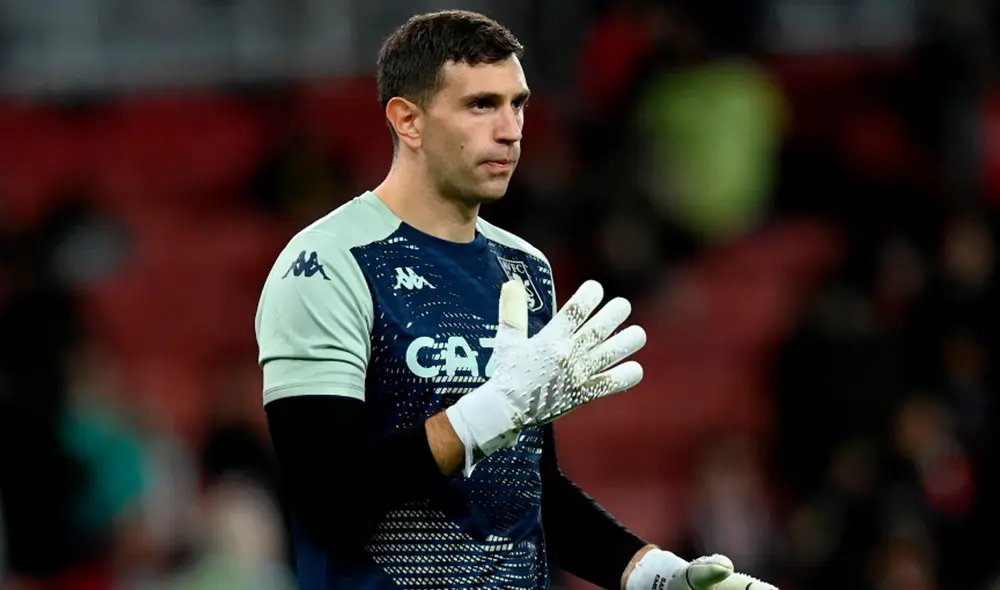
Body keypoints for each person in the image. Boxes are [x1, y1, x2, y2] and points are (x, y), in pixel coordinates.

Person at [256, 10, 779, 590]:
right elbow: (326, 500)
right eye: (481, 105)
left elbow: (527, 485)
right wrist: (486, 415)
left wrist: (653, 574)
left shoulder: (524, 268)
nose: (510, 129)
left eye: (518, 104)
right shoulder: (328, 263)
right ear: (408, 120)